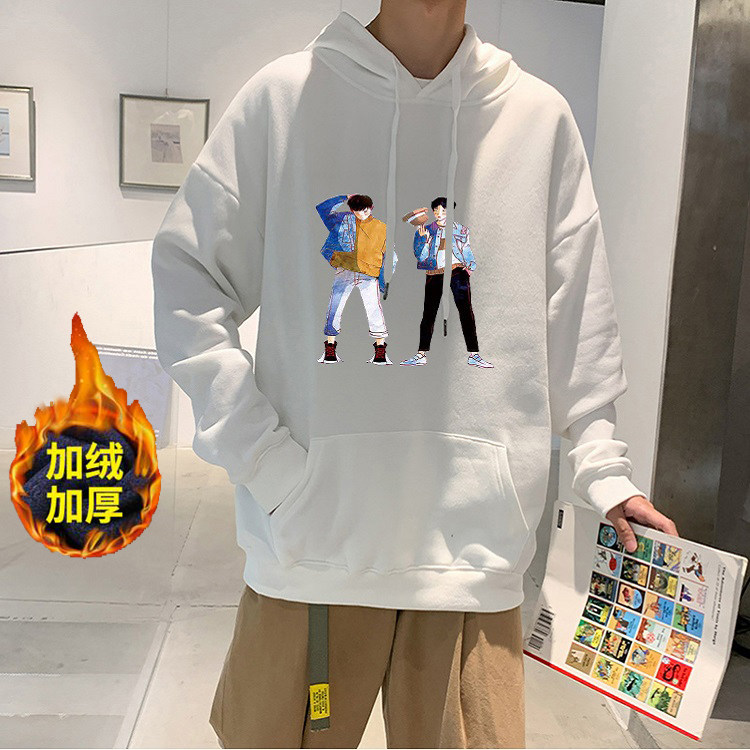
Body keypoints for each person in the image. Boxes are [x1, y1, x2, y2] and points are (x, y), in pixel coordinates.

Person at [150, 1, 680, 747]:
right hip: (312, 543)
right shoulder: (282, 99)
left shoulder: (538, 118)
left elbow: (578, 319)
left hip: (473, 553)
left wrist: (604, 469)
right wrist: (266, 463)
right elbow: (187, 281)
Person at [400, 196, 493, 367]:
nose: (439, 213)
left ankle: (474, 354)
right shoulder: (426, 230)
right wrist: (423, 239)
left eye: (443, 210)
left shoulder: (461, 230)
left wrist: (470, 267)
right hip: (434, 273)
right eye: (436, 210)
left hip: (457, 271)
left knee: (466, 311)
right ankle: (421, 354)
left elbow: (466, 249)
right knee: (429, 312)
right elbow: (420, 256)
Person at [316, 193, 394, 365]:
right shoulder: (343, 220)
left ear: (371, 208)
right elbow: (322, 209)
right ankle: (330, 349)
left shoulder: (382, 228)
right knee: (335, 307)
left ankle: (380, 350)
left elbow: (390, 256)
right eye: (357, 211)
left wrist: (384, 280)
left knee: (374, 309)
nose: (362, 214)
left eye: (365, 210)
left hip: (369, 274)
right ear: (352, 210)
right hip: (345, 270)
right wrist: (343, 197)